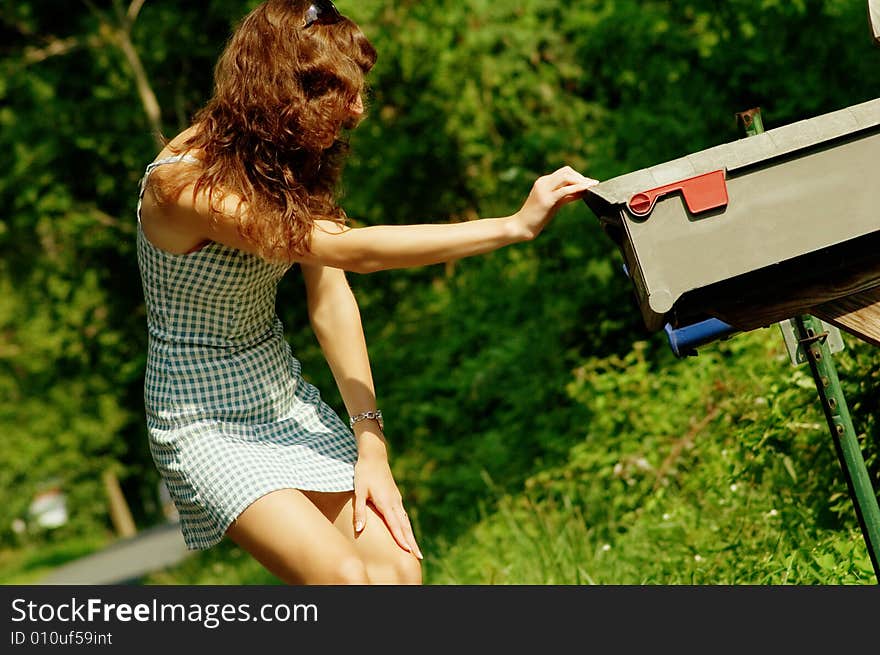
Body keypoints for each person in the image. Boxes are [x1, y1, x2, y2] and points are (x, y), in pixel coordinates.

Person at [136, 0, 598, 585]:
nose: (357, 110)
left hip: (279, 395)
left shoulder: (282, 156)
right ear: (283, 90)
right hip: (203, 418)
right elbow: (354, 251)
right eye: (340, 94)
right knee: (348, 584)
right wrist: (513, 225)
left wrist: (370, 442)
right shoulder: (188, 185)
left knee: (398, 574)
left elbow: (329, 296)